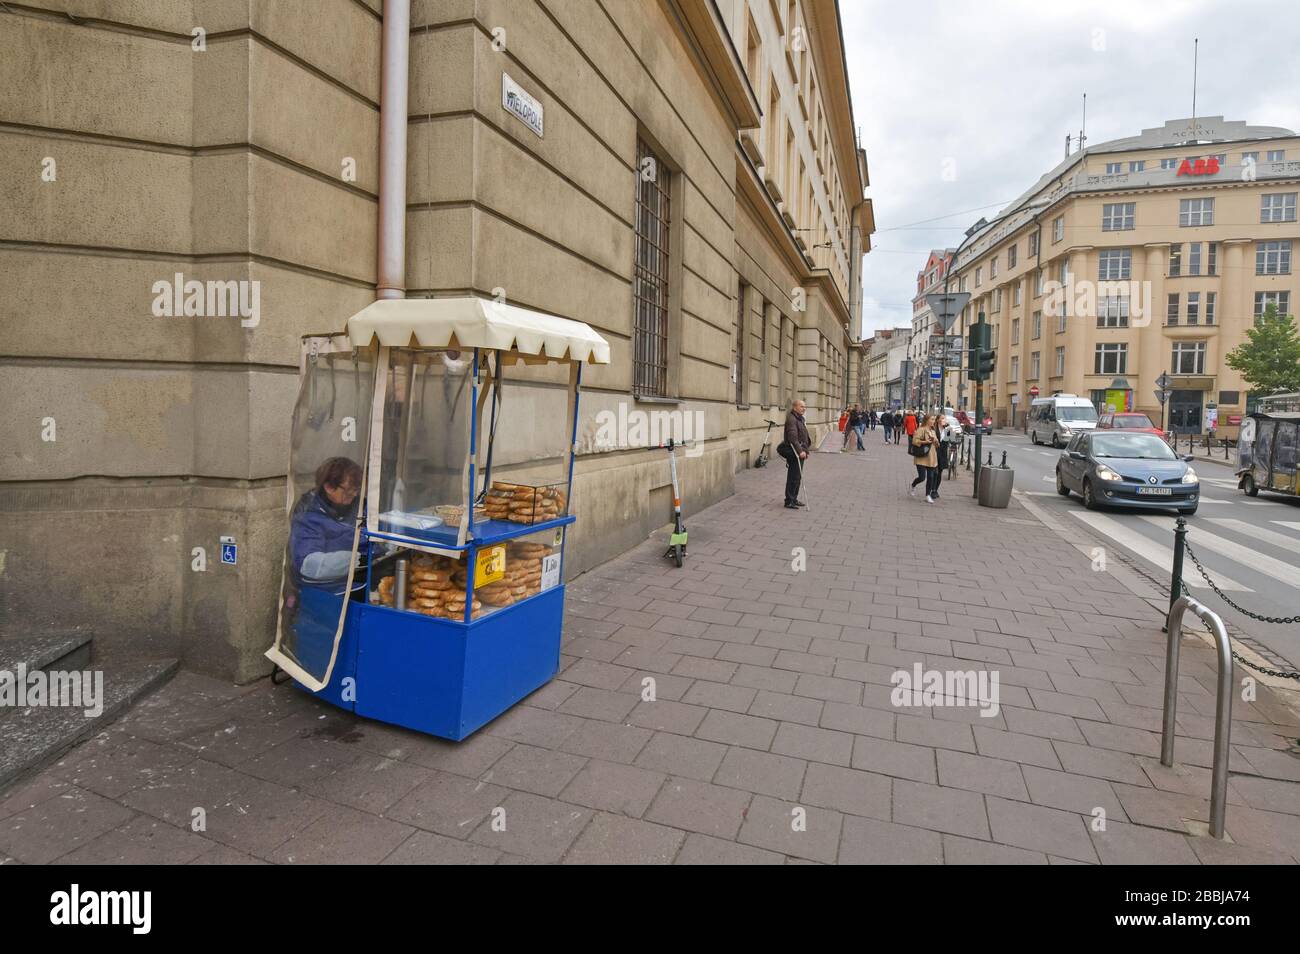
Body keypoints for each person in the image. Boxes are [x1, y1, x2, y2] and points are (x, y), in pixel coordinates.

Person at [290, 456, 365, 594]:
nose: (354, 495)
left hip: (359, 581)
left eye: (357, 490)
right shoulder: (308, 516)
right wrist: (358, 559)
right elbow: (308, 564)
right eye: (349, 491)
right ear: (329, 487)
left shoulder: (357, 504)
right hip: (326, 592)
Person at [778, 398, 811, 508]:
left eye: (804, 407)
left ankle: (794, 498)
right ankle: (789, 500)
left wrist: (806, 450)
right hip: (795, 452)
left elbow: (804, 435)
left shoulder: (800, 418)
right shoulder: (792, 419)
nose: (804, 408)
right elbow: (793, 437)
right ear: (794, 407)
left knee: (798, 476)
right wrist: (800, 451)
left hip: (800, 451)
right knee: (793, 477)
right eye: (801, 406)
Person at [909, 414, 940, 502]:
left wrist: (936, 441)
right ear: (927, 420)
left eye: (934, 419)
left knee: (930, 477)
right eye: (932, 419)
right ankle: (913, 484)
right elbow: (915, 441)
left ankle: (927, 495)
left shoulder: (933, 431)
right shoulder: (921, 429)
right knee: (922, 477)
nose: (934, 421)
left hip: (931, 457)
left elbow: (937, 445)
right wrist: (925, 441)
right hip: (921, 456)